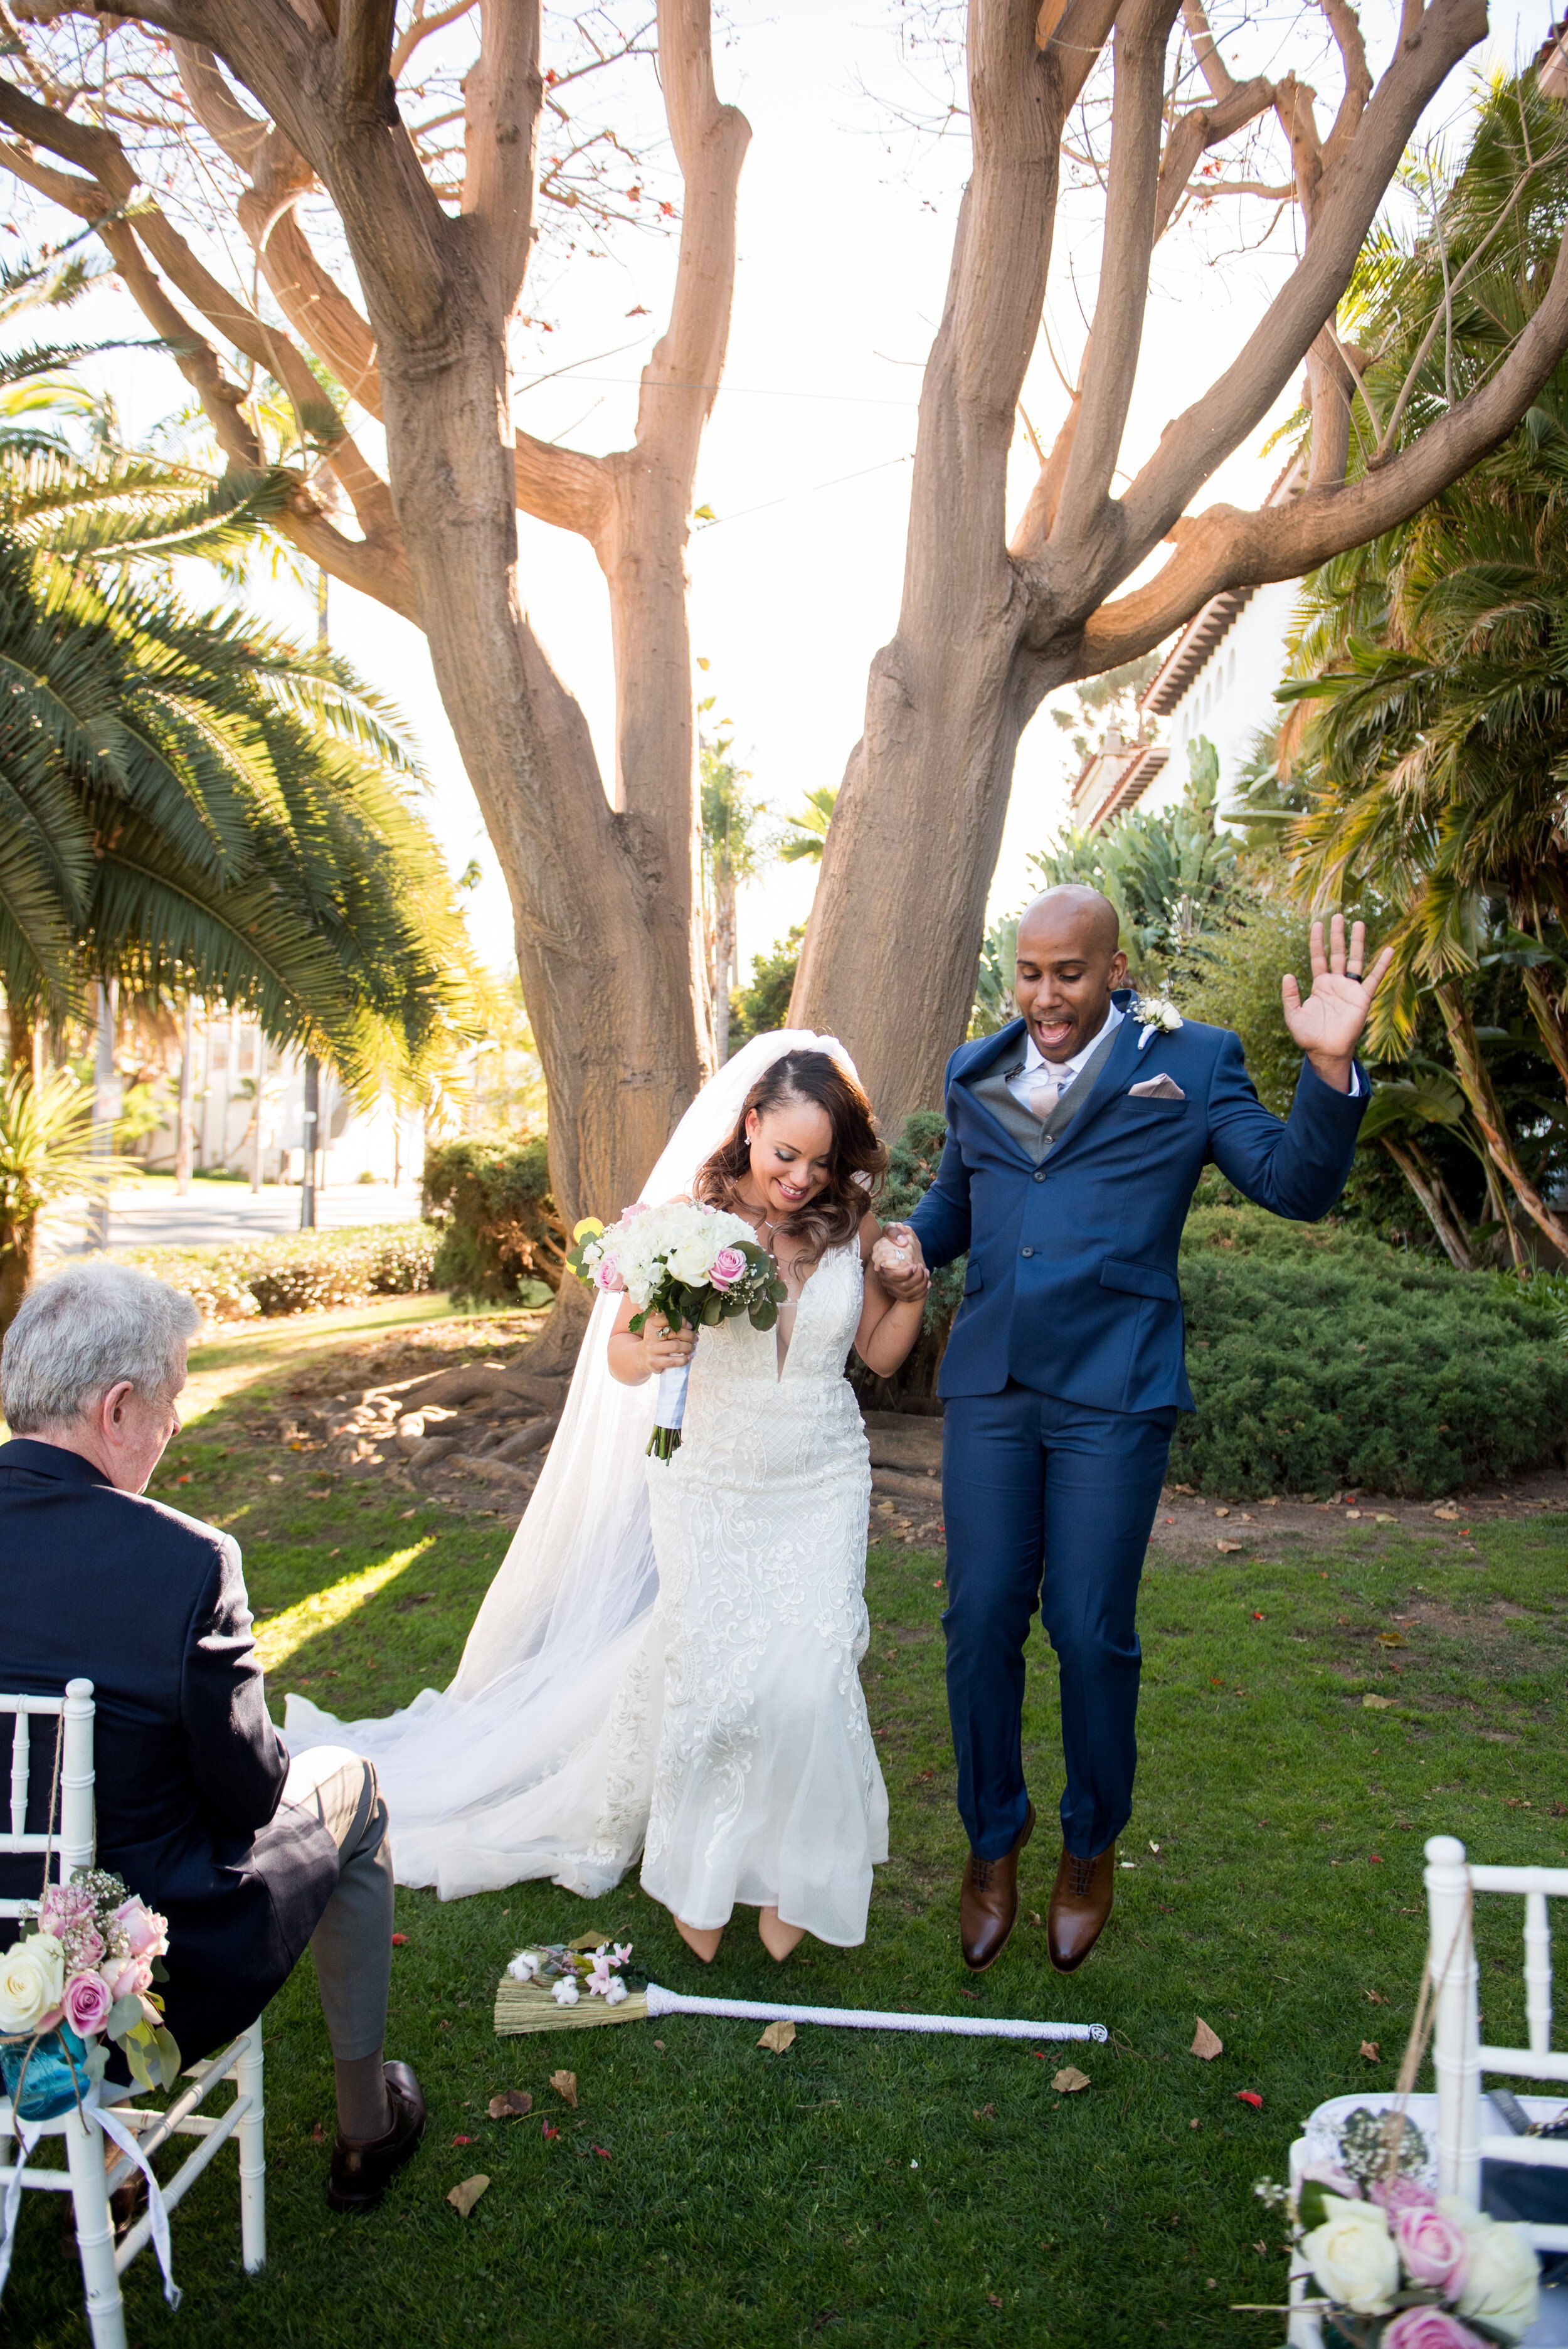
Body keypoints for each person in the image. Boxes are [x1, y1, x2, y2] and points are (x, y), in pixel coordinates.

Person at [287, 1032, 926, 1961]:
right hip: (709, 1477)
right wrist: (656, 1348)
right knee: (714, 1679)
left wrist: (907, 1291)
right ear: (750, 1125)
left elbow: (877, 1352)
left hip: (823, 1472)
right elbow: (625, 1352)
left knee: (812, 1671)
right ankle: (699, 1873)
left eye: (821, 1161)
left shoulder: (851, 1222)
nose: (801, 1178)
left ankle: (800, 1867)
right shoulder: (687, 1219)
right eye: (786, 1154)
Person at [877, 890, 1389, 1976]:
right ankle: (991, 1840)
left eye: (1068, 972)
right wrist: (908, 1245)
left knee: (1090, 1625)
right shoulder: (980, 1068)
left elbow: (1294, 1185)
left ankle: (1089, 1842)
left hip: (1116, 1384)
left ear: (1116, 967)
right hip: (997, 1382)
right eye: (1028, 971)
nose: (1045, 996)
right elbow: (955, 1204)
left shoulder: (1191, 1060)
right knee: (975, 1620)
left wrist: (1331, 1070)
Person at [0, 1263, 426, 2214]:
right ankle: (367, 2127)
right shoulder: (185, 1560)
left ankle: (104, 2161)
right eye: (173, 1401)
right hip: (144, 1958)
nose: (176, 1425)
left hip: (6, 1958)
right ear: (117, 1408)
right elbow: (250, 1795)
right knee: (350, 1785)